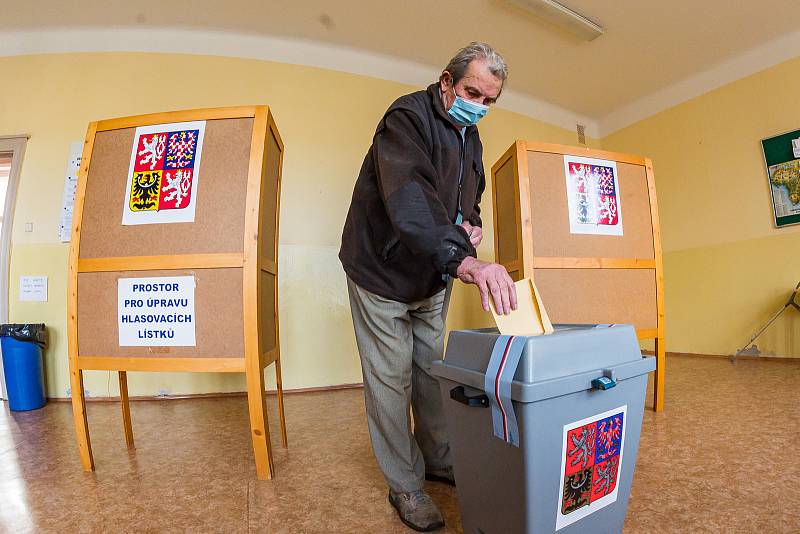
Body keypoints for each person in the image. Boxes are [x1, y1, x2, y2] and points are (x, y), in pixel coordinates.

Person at [339, 42, 517, 532]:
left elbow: (467, 198)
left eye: (489, 100)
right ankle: (406, 484)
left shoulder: (471, 138)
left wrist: (470, 225)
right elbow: (412, 202)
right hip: (382, 270)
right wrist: (466, 261)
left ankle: (438, 459)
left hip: (433, 273)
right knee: (390, 379)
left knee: (430, 372)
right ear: (446, 82)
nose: (478, 106)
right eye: (471, 92)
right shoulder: (406, 119)